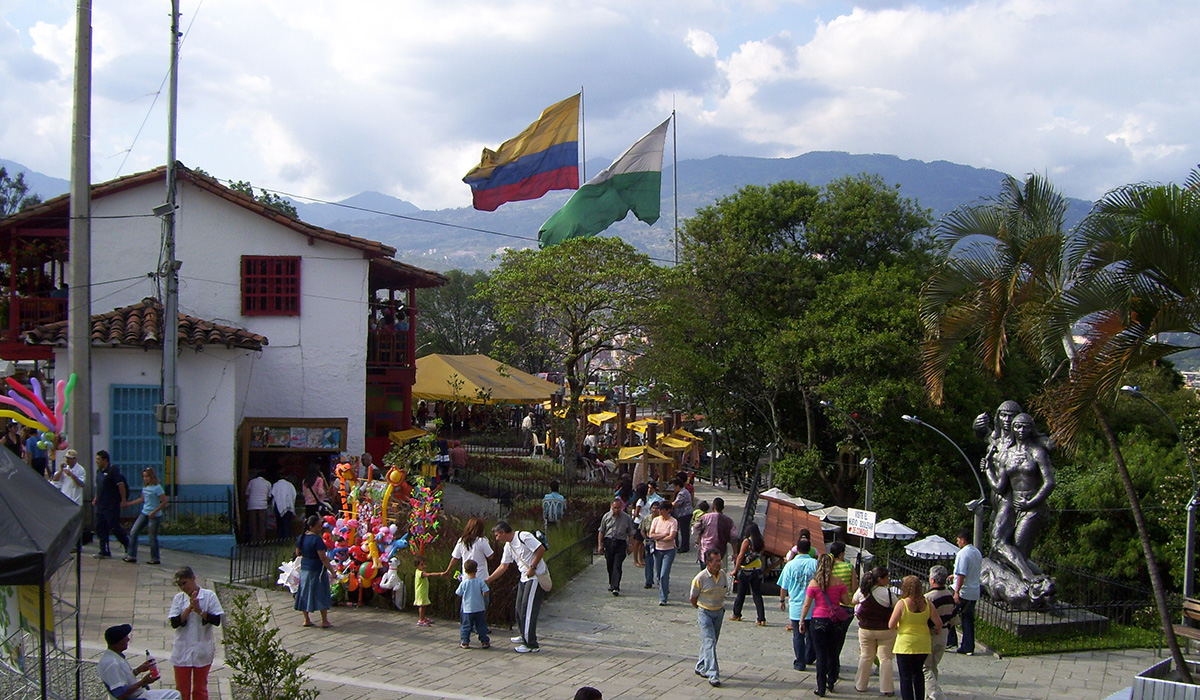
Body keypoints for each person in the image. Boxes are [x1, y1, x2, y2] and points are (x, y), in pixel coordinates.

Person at [486, 521, 548, 653]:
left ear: (503, 532)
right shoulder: (508, 546)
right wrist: (489, 580)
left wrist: (532, 567)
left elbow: (540, 549)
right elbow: (504, 566)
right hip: (524, 578)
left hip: (535, 577)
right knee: (519, 608)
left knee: (528, 610)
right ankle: (524, 634)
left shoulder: (523, 537)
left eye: (497, 535)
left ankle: (531, 644)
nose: (497, 538)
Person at [799, 553, 852, 697]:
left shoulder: (814, 583)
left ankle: (820, 687)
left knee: (821, 655)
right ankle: (831, 680)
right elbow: (846, 601)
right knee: (833, 652)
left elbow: (807, 604)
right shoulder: (838, 582)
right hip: (834, 621)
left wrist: (802, 620)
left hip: (818, 619)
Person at [168, 566, 223, 700]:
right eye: (180, 585)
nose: (183, 587)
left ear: (193, 578)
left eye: (185, 583)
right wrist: (188, 609)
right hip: (183, 649)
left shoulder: (209, 596)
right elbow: (175, 623)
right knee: (181, 690)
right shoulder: (179, 599)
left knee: (200, 689)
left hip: (202, 648)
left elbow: (216, 620)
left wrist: (200, 610)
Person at [889, 575, 941, 700]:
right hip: (923, 642)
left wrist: (899, 627)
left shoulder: (903, 604)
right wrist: (935, 630)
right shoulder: (927, 603)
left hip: (905, 643)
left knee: (905, 677)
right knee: (918, 673)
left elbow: (891, 624)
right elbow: (938, 622)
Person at [99, 624, 181, 699]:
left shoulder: (113, 657)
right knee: (175, 696)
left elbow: (122, 679)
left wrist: (138, 670)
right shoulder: (112, 664)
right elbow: (120, 694)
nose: (128, 639)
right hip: (136, 698)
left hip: (138, 694)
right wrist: (143, 682)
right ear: (118, 642)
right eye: (125, 637)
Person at [852, 566, 897, 695]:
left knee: (866, 656)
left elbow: (854, 600)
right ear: (880, 579)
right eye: (887, 577)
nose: (888, 580)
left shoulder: (863, 591)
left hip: (866, 628)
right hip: (885, 630)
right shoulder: (888, 593)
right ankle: (887, 688)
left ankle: (861, 684)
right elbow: (896, 606)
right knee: (885, 658)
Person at [690, 548, 729, 688]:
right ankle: (713, 674)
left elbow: (725, 590)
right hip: (705, 612)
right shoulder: (700, 578)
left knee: (711, 641)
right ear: (708, 562)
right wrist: (701, 608)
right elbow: (693, 598)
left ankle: (701, 665)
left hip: (718, 612)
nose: (719, 564)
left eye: (720, 561)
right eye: (716, 561)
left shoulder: (723, 575)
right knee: (709, 641)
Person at [779, 539, 818, 671]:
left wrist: (782, 600)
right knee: (811, 634)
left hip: (796, 605)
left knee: (798, 634)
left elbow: (784, 585)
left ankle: (800, 662)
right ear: (809, 549)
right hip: (813, 605)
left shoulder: (790, 565)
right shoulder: (815, 563)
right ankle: (809, 657)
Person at [293, 515, 336, 628]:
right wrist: (332, 571)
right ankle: (324, 620)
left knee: (304, 592)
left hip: (305, 567)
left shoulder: (301, 537)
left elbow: (298, 553)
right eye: (318, 527)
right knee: (320, 593)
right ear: (311, 527)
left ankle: (306, 619)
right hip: (317, 569)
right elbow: (323, 557)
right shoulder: (317, 540)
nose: (320, 529)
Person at [925, 565, 959, 700]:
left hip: (931, 633)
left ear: (933, 580)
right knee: (934, 666)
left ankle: (935, 694)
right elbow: (954, 618)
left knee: (925, 667)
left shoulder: (929, 598)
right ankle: (929, 694)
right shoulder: (950, 596)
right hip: (944, 633)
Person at [827, 541, 856, 685]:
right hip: (847, 606)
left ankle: (831, 664)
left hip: (831, 606)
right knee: (840, 637)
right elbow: (855, 587)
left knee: (830, 638)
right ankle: (834, 664)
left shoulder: (829, 567)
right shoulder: (849, 567)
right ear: (841, 553)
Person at [125, 468, 168, 564]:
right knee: (134, 532)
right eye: (144, 476)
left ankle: (155, 558)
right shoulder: (145, 487)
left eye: (147, 476)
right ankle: (131, 555)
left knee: (152, 536)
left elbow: (164, 501)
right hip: (145, 512)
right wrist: (129, 503)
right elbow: (141, 499)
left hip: (154, 515)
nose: (145, 478)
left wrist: (154, 511)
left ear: (151, 476)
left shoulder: (157, 488)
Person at [93, 450, 130, 559]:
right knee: (100, 527)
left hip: (111, 505)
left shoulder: (113, 470)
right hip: (101, 505)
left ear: (105, 460)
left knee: (114, 527)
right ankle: (104, 550)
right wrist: (96, 498)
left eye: (99, 459)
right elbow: (99, 486)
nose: (97, 461)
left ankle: (128, 546)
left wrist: (123, 500)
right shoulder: (99, 471)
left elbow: (121, 485)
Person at [729, 522, 766, 624]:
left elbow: (741, 556)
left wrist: (735, 570)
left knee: (741, 593)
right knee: (757, 594)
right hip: (757, 568)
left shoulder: (747, 541)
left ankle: (736, 614)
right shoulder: (760, 541)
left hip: (746, 570)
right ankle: (761, 618)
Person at [597, 498, 635, 595]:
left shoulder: (626, 518)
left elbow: (631, 532)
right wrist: (600, 545)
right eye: (614, 508)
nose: (616, 510)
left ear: (621, 507)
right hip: (609, 541)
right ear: (611, 507)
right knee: (610, 564)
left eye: (618, 508)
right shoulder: (606, 516)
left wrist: (630, 545)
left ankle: (616, 586)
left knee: (617, 564)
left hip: (620, 542)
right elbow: (601, 531)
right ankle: (612, 583)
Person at [953, 528, 982, 654]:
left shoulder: (962, 553)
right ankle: (968, 646)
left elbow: (961, 574)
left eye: (958, 540)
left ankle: (950, 640)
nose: (957, 542)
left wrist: (956, 591)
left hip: (963, 591)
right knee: (968, 619)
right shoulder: (977, 552)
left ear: (963, 540)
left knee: (949, 614)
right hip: (974, 591)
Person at [648, 496, 679, 605]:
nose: (660, 511)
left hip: (669, 550)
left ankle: (663, 598)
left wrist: (659, 537)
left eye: (662, 509)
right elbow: (651, 534)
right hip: (657, 550)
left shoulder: (673, 522)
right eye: (659, 509)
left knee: (664, 574)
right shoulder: (656, 520)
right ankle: (664, 589)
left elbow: (671, 537)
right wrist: (662, 535)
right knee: (658, 574)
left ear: (668, 510)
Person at [455, 559, 490, 648]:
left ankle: (464, 641)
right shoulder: (480, 581)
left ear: (465, 571)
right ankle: (484, 641)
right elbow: (486, 592)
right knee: (481, 626)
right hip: (479, 607)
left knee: (466, 625)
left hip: (467, 608)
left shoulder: (464, 583)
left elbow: (458, 593)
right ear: (476, 570)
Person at [693, 496, 735, 567]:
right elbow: (733, 538)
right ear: (723, 507)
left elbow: (694, 530)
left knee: (705, 573)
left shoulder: (705, 517)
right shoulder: (728, 520)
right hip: (720, 551)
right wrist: (735, 553)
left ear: (713, 507)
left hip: (705, 550)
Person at [413, 555, 443, 626]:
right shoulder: (420, 573)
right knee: (422, 605)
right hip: (420, 592)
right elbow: (428, 575)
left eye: (424, 564)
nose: (424, 566)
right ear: (417, 566)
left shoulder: (421, 571)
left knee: (424, 605)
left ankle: (423, 617)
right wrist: (439, 574)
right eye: (421, 565)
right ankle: (420, 619)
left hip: (424, 591)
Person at [244, 471, 271, 542]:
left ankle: (253, 540)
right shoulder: (268, 483)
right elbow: (269, 496)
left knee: (253, 524)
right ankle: (261, 540)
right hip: (262, 506)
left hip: (252, 505)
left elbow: (247, 494)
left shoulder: (251, 482)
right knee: (262, 524)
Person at [270, 474, 297, 539]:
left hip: (278, 506)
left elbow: (273, 494)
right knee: (287, 523)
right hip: (288, 506)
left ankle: (280, 539)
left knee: (279, 524)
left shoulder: (276, 485)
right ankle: (287, 539)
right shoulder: (290, 485)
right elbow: (294, 495)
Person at [671, 474, 693, 553]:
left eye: (674, 486)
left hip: (684, 514)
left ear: (678, 486)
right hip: (684, 513)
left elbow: (676, 503)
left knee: (684, 531)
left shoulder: (682, 493)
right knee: (684, 530)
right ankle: (683, 546)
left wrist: (669, 503)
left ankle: (684, 547)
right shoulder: (684, 491)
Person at [630, 483, 649, 569]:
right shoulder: (640, 501)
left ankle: (641, 559)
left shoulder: (645, 499)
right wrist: (642, 517)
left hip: (644, 523)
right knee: (637, 542)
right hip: (639, 523)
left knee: (641, 543)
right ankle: (635, 560)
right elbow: (637, 513)